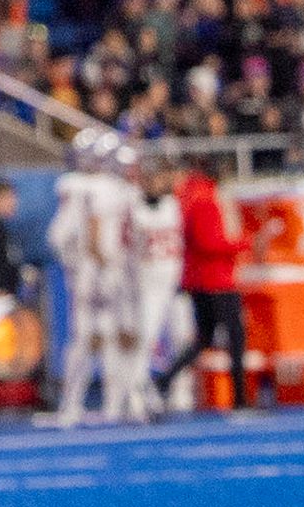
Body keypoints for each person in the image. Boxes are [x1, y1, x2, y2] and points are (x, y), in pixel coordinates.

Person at [49, 134, 139, 426]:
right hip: (102, 268)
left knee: (98, 338)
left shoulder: (84, 186)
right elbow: (89, 233)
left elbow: (62, 236)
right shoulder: (101, 188)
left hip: (96, 268)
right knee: (99, 338)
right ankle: (111, 403)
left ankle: (92, 404)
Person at [167, 159, 250, 412]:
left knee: (205, 336)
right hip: (215, 278)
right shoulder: (203, 197)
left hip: (200, 277)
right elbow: (209, 242)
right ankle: (240, 398)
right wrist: (242, 244)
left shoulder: (189, 195)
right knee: (234, 335)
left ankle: (164, 379)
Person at [126, 154, 188, 420]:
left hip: (176, 281)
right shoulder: (134, 208)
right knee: (146, 340)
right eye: (151, 178)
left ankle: (181, 392)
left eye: (160, 177)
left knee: (183, 337)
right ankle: (137, 396)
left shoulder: (175, 204)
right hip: (149, 283)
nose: (156, 182)